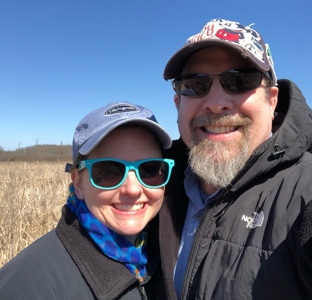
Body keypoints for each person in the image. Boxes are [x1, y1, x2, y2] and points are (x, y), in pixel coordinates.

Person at [159, 18, 312, 299]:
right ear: (178, 104)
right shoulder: (152, 182)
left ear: (272, 100)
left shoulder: (305, 192)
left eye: (240, 81)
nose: (217, 102)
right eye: (195, 84)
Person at [0, 101, 175, 300]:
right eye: (109, 171)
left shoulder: (165, 259)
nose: (133, 189)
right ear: (79, 183)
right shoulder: (26, 287)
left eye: (150, 169)